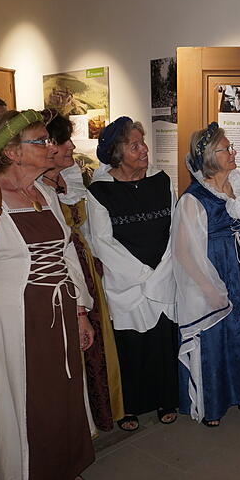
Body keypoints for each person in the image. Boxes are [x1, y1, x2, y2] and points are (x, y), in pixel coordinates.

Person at [0, 109, 95, 480]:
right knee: (26, 401)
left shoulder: (45, 193)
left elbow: (65, 254)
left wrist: (80, 311)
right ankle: (28, 477)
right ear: (12, 153)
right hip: (13, 323)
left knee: (62, 395)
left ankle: (63, 465)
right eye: (41, 141)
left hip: (59, 314)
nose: (51, 147)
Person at [172, 122, 240, 426]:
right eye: (226, 148)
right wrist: (211, 290)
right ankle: (214, 403)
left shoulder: (239, 185)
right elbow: (184, 252)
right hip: (216, 275)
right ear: (211, 157)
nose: (233, 152)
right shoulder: (192, 199)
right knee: (220, 336)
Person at [86, 116, 178, 432]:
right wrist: (142, 274)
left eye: (143, 142)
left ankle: (168, 398)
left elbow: (174, 230)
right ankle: (131, 406)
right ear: (116, 152)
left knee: (162, 341)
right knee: (131, 345)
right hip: (126, 283)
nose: (144, 150)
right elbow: (102, 242)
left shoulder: (163, 181)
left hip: (163, 276)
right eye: (134, 145)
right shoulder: (99, 192)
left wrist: (161, 270)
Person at [44, 114, 125, 431]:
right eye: (64, 141)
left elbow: (86, 226)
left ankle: (100, 411)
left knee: (97, 339)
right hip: (60, 272)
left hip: (84, 264)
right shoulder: (38, 188)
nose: (72, 146)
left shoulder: (71, 176)